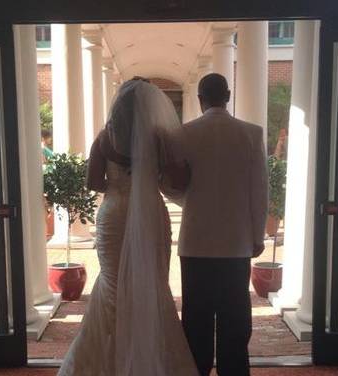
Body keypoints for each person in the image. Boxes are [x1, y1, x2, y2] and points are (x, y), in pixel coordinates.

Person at [57, 78, 198, 376]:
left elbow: (94, 182)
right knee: (153, 282)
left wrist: (119, 185)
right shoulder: (158, 138)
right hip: (149, 214)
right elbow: (175, 181)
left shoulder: (104, 138)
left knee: (112, 284)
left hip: (114, 214)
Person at [167, 73, 268, 376]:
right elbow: (259, 190)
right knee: (235, 320)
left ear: (199, 99)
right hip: (236, 243)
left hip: (195, 242)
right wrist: (257, 234)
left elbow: (170, 186)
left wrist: (193, 201)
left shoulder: (183, 134)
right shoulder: (252, 133)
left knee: (196, 319)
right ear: (228, 95)